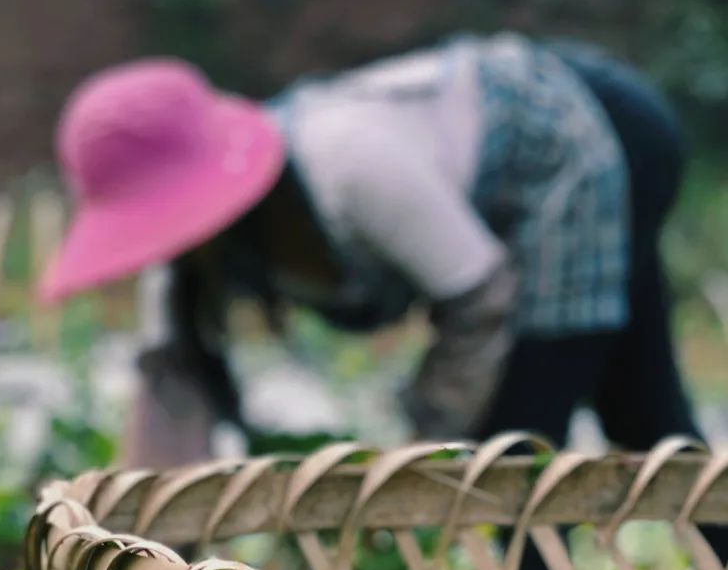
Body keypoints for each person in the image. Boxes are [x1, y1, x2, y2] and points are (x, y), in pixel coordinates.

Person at [38, 33, 705, 473]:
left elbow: (481, 300)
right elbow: (171, 397)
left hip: (577, 128)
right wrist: (146, 553)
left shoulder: (349, 161)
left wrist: (419, 454)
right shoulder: (182, 267)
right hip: (520, 188)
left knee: (514, 458)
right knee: (642, 418)